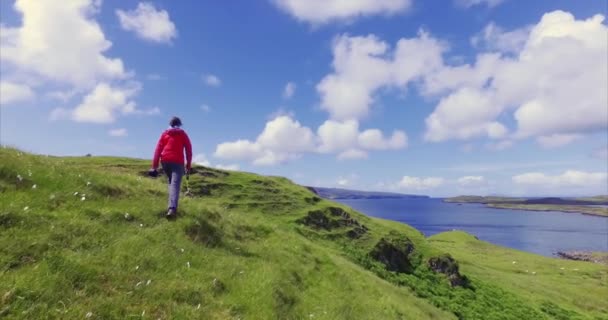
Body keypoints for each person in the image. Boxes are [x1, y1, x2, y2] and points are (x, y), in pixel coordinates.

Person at [149, 116, 192, 218]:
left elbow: (158, 150)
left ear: (170, 124)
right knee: (175, 185)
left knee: (171, 183)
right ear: (180, 124)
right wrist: (188, 166)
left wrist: (154, 166)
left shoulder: (165, 134)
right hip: (177, 163)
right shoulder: (183, 134)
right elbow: (189, 151)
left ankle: (171, 205)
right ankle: (172, 209)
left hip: (165, 162)